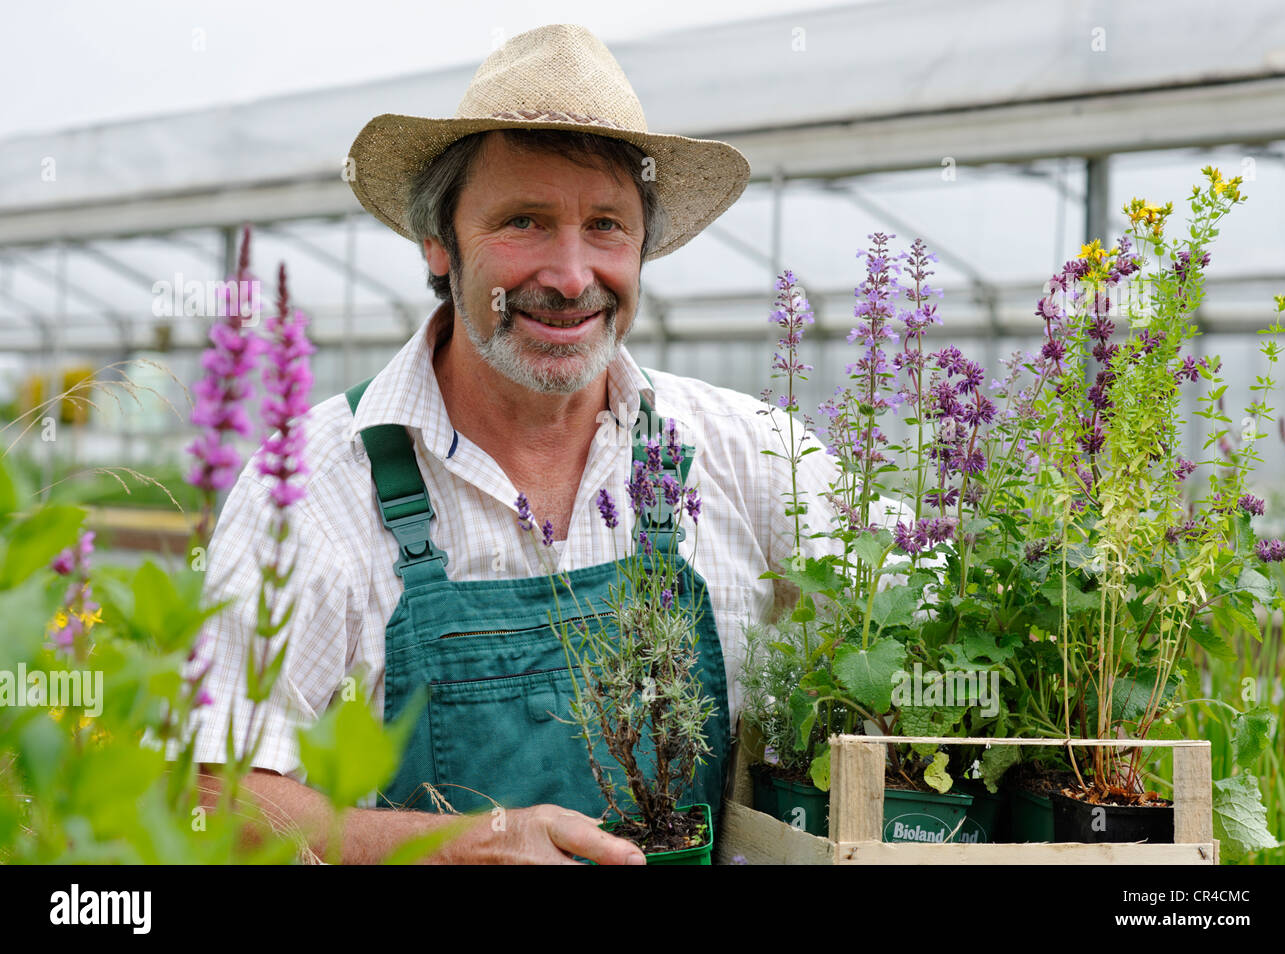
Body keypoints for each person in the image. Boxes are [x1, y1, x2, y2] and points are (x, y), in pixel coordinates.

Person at [187, 23, 902, 864]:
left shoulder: (747, 453)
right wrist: (460, 845)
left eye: (606, 226)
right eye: (523, 221)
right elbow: (213, 798)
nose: (570, 277)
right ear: (438, 241)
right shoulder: (314, 488)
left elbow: (935, 610)